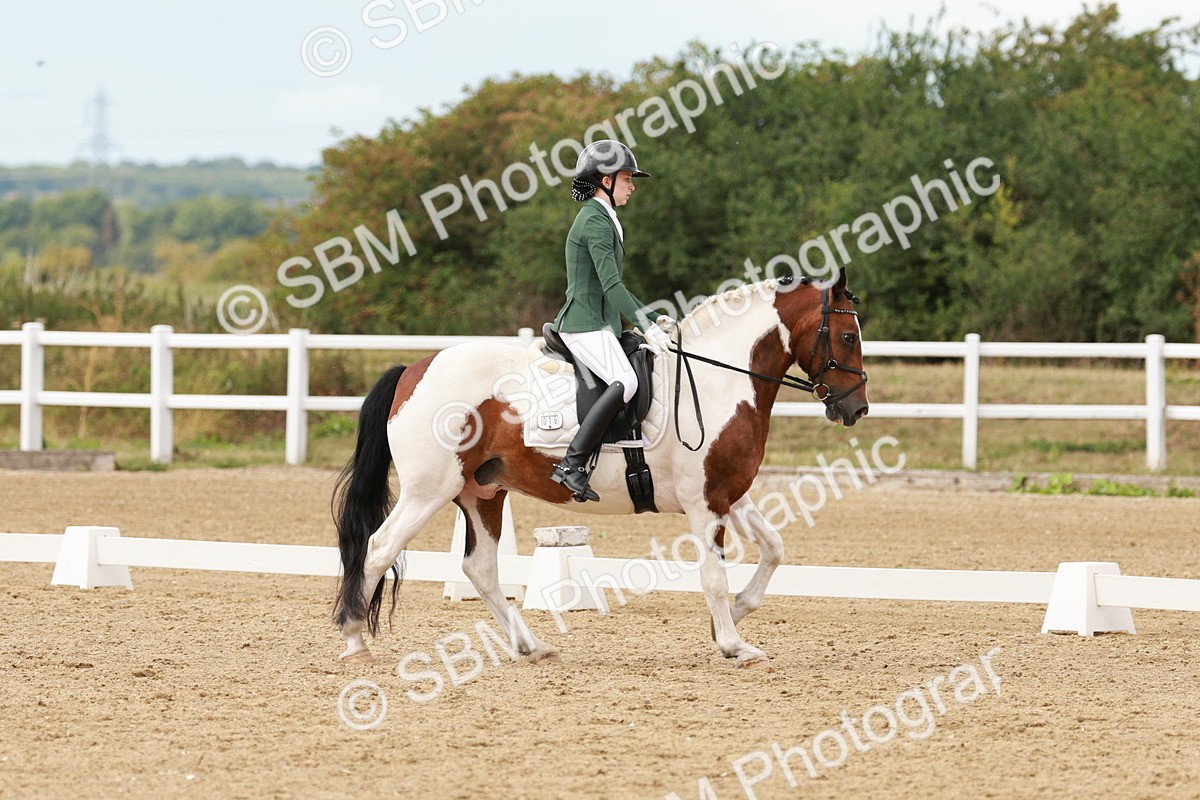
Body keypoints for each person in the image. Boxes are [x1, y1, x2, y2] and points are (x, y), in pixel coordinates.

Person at [549, 139, 675, 503]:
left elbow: (616, 288)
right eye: (626, 178)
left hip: (600, 322)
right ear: (605, 180)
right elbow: (611, 285)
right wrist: (647, 326)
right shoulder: (594, 221)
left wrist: (653, 318)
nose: (633, 185)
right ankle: (572, 464)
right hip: (583, 322)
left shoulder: (604, 217)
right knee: (626, 381)